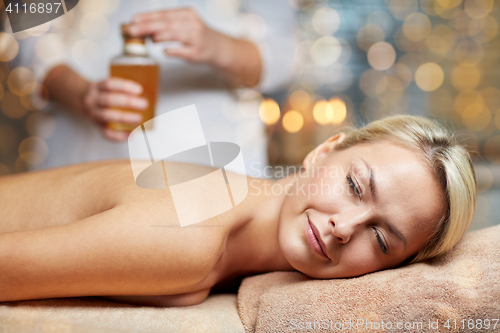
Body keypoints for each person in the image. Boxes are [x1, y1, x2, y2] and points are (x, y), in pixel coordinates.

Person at [0, 115, 477, 306]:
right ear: (324, 150)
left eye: (380, 239)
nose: (344, 228)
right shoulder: (192, 233)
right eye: (354, 185)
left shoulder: (227, 211)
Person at [14, 0, 296, 176]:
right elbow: (27, 27)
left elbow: (285, 54)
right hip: (80, 148)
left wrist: (219, 45)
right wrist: (79, 93)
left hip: (209, 156)